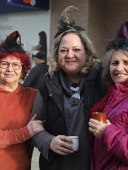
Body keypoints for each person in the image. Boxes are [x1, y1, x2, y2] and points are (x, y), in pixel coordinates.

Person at [31, 6, 106, 170]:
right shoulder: (47, 87)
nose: (69, 55)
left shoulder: (102, 84)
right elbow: (33, 129)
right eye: (63, 50)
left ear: (87, 53)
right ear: (57, 55)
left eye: (76, 50)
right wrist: (49, 141)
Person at [88, 20, 128, 169]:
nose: (119, 68)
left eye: (127, 63)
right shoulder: (112, 96)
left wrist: (108, 132)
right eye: (114, 63)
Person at [0, 31, 44, 170]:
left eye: (16, 65)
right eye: (4, 64)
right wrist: (25, 132)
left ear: (23, 70)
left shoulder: (34, 96)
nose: (10, 69)